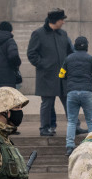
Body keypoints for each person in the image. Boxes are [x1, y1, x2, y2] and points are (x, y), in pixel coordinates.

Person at [28, 8, 73, 136]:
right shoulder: (38, 34)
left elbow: (70, 52)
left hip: (64, 76)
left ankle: (74, 125)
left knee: (69, 101)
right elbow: (31, 54)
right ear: (55, 21)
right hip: (46, 76)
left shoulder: (63, 34)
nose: (63, 22)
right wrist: (44, 65)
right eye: (61, 20)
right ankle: (44, 128)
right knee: (47, 103)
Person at [60, 36, 92, 155]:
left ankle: (69, 146)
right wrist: (88, 77)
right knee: (90, 121)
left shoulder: (68, 59)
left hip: (72, 92)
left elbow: (61, 75)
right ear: (87, 46)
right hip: (87, 92)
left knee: (72, 121)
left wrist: (70, 78)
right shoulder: (91, 59)